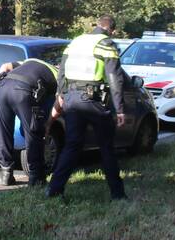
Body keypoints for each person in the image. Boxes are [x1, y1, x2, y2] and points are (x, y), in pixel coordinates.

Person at [46, 15, 128, 201]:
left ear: (96, 25)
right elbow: (115, 78)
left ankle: (54, 189)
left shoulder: (76, 42)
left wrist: (61, 95)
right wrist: (120, 108)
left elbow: (61, 72)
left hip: (72, 100)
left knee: (72, 146)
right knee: (107, 147)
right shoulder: (107, 44)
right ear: (111, 30)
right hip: (94, 102)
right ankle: (118, 194)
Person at [0, 55, 59, 187]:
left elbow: (4, 66)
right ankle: (36, 178)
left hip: (2, 87)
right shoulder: (58, 75)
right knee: (33, 133)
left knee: (3, 132)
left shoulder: (30, 61)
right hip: (23, 91)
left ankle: (6, 174)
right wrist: (48, 123)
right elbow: (59, 103)